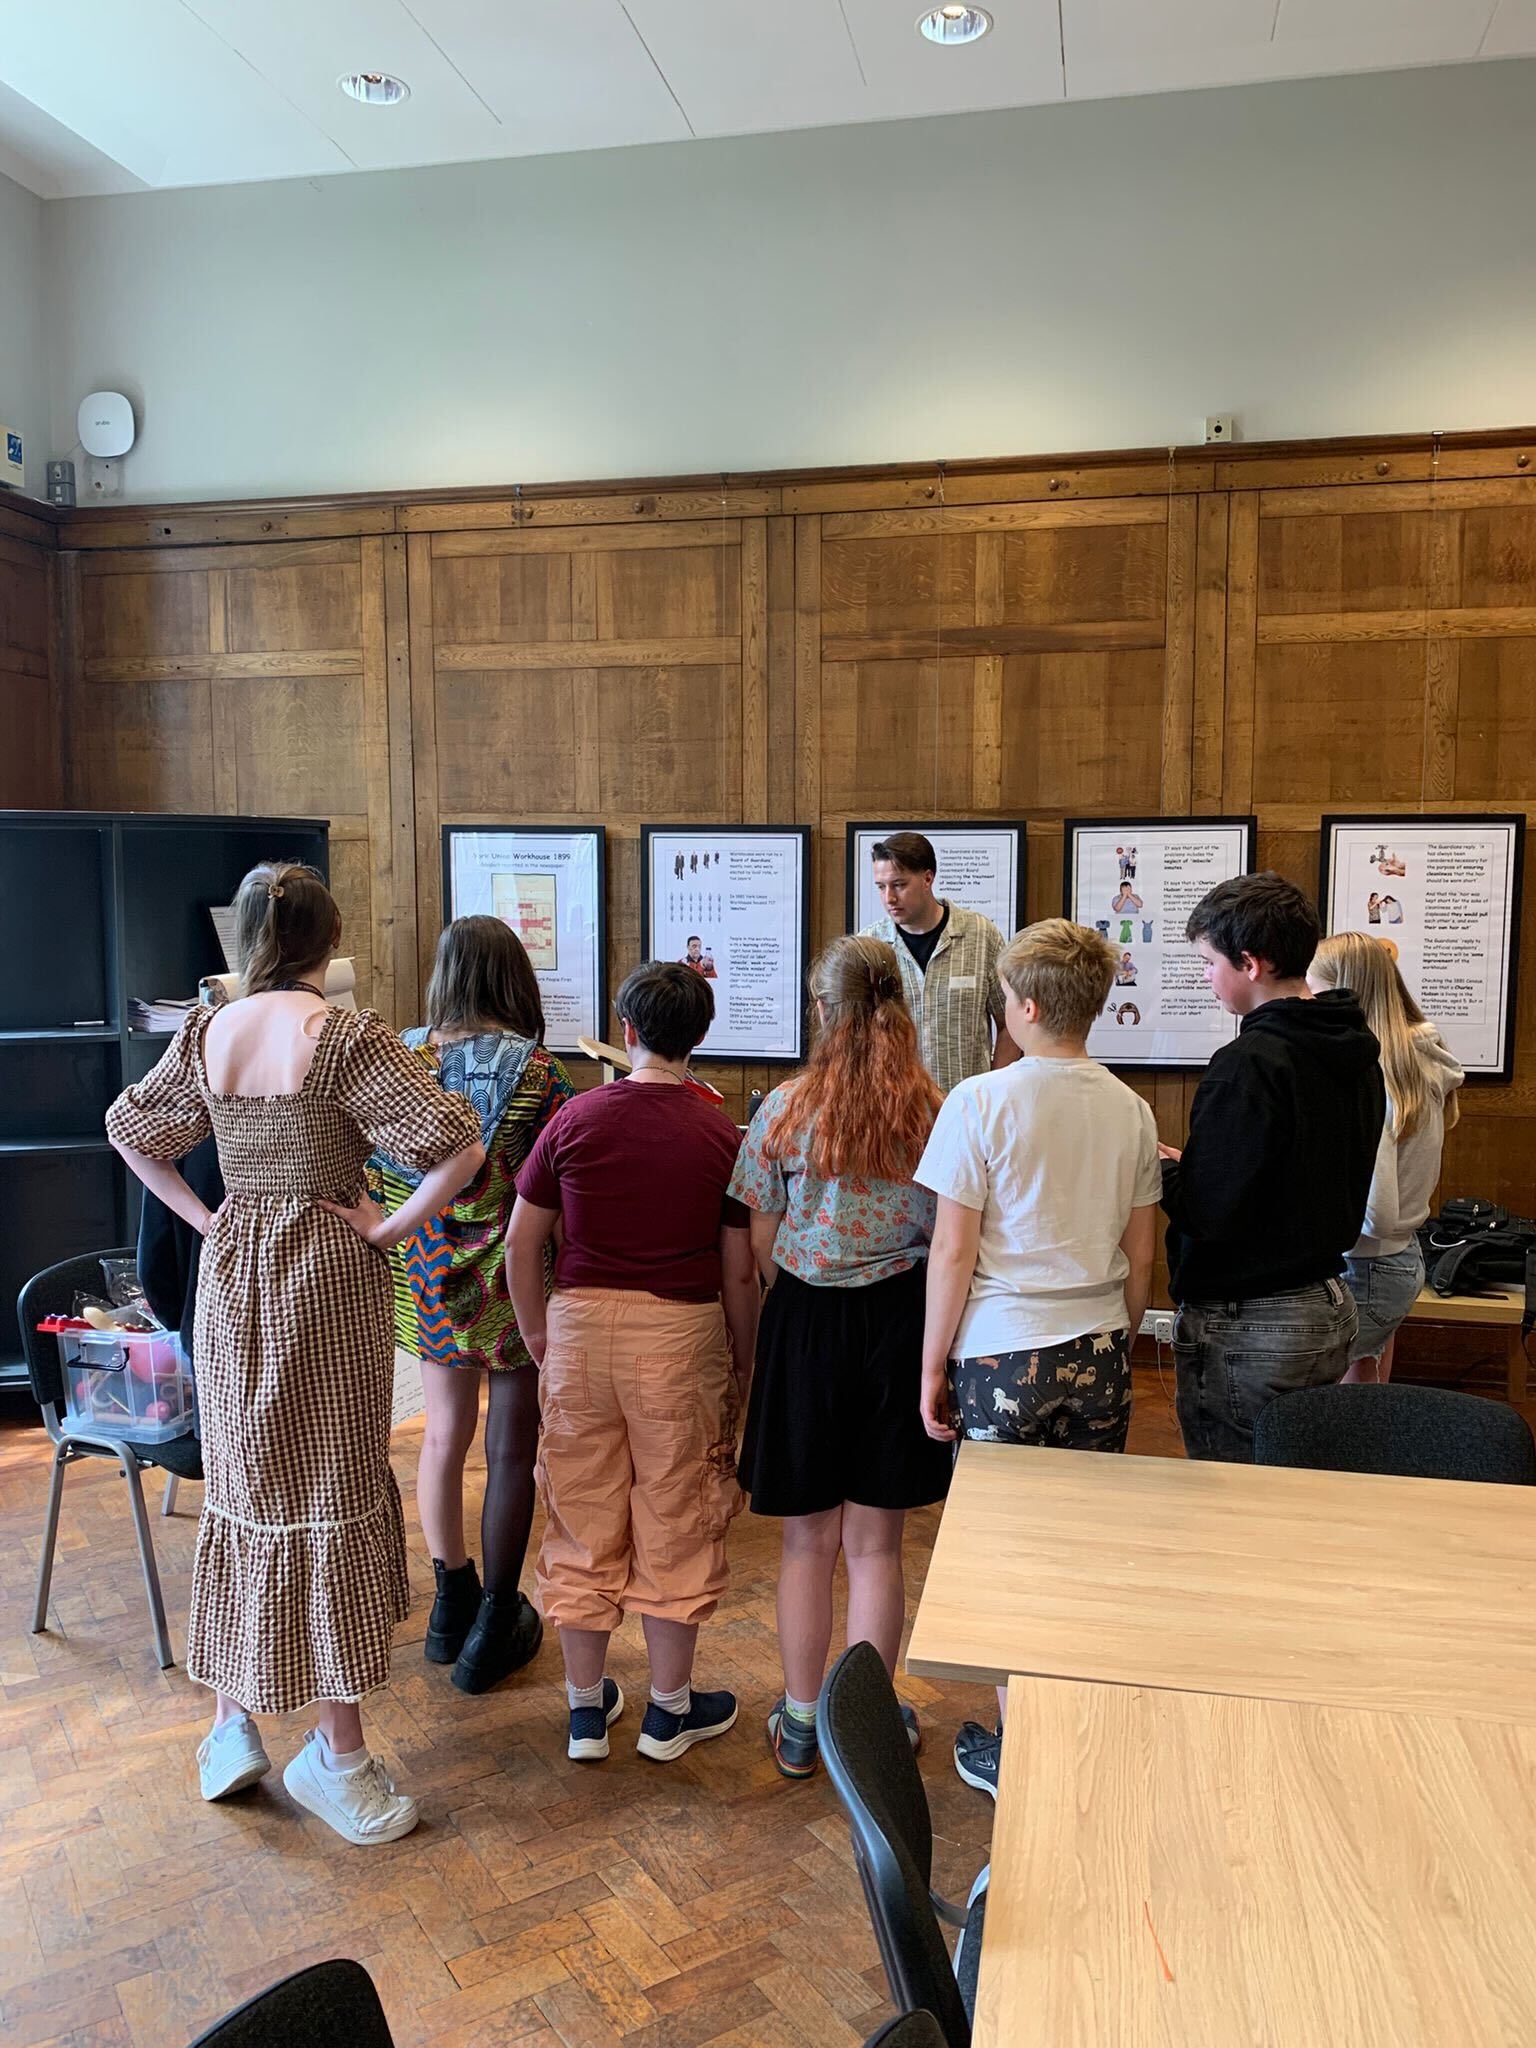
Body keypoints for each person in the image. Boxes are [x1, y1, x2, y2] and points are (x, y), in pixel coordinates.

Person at [106, 863, 483, 1844]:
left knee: (246, 1483)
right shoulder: (346, 1037)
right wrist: (388, 1226)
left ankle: (229, 1725)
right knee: (329, 1483)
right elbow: (461, 1146)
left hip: (233, 1282)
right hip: (328, 1279)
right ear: (331, 940)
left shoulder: (209, 1028)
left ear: (247, 939)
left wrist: (207, 1217)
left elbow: (129, 1129)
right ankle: (336, 1753)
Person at [915, 918, 1160, 1800]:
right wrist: (1116, 1337)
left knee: (1007, 1559)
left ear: (1021, 1006)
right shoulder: (1131, 1109)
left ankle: (1019, 1746)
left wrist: (931, 1367)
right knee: (1080, 1551)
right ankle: (1068, 1729)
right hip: (1098, 1348)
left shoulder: (979, 1101)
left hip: (1001, 1354)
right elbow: (1141, 1253)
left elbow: (952, 1251)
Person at [507, 962, 759, 1766]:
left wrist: (540, 1334)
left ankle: (586, 1713)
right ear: (700, 1037)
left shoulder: (575, 1119)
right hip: (680, 1336)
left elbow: (521, 1243)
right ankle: (669, 1713)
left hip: (580, 1329)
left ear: (625, 1031)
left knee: (579, 1510)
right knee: (679, 1512)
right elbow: (739, 1273)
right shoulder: (721, 1135)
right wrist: (745, 1360)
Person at [730, 936, 951, 1780]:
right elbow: (948, 1234)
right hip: (901, 1324)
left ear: (822, 1009)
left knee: (806, 1544)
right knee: (876, 1546)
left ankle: (797, 1719)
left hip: (807, 1324)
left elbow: (761, 1238)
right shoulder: (934, 1110)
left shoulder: (784, 1109)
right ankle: (868, 1722)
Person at [369, 916, 574, 1694]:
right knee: (511, 1450)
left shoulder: (402, 1061)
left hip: (426, 1271)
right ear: (513, 977)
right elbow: (558, 1188)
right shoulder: (540, 1073)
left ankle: (448, 1600)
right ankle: (494, 1622)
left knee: (443, 1435)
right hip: (511, 1279)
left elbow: (374, 1168)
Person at [1161, 873, 1385, 1462]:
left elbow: (1211, 1213)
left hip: (1254, 1321)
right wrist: (1200, 1167)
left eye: (1209, 963)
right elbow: (1294, 1170)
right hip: (1325, 1302)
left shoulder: (1250, 1062)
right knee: (1298, 1489)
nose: (1206, 979)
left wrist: (1161, 1171)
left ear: (1251, 963)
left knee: (1233, 1494)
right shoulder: (1352, 1047)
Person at [1307, 933, 1463, 1382]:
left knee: (1335, 1407)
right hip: (1395, 1259)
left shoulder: (1376, 1078)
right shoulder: (1413, 1063)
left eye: (1314, 993)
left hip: (1367, 1264)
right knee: (1369, 1390)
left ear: (1344, 994)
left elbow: (1376, 1213)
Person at [861, 831, 1018, 1094]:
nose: (889, 898)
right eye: (881, 887)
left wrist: (994, 1091)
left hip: (968, 1105)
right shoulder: (870, 945)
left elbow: (1010, 1025)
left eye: (899, 885)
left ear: (927, 878)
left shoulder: (981, 935)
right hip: (895, 1107)